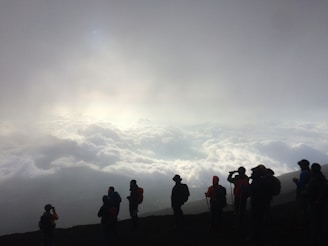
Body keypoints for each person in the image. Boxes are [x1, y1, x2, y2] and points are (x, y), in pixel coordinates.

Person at [248, 164, 275, 242]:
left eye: (253, 172)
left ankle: (255, 237)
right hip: (263, 203)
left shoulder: (257, 182)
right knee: (260, 220)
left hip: (256, 204)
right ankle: (260, 236)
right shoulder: (263, 181)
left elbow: (251, 192)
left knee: (255, 221)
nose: (252, 173)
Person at [307, 163, 328, 245]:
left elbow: (312, 191)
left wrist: (316, 201)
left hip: (316, 203)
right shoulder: (322, 178)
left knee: (317, 222)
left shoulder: (315, 179)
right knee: (321, 222)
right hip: (321, 203)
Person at [227, 167, 249, 233]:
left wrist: (231, 174)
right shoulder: (246, 178)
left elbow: (229, 179)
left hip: (238, 196)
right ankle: (242, 224)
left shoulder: (237, 178)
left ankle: (238, 225)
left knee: (237, 210)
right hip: (244, 196)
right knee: (242, 210)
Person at [292, 159, 311, 229]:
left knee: (301, 210)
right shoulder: (310, 172)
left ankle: (302, 225)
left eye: (300, 165)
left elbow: (301, 185)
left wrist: (296, 181)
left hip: (303, 195)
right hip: (308, 194)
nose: (300, 167)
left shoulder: (304, 173)